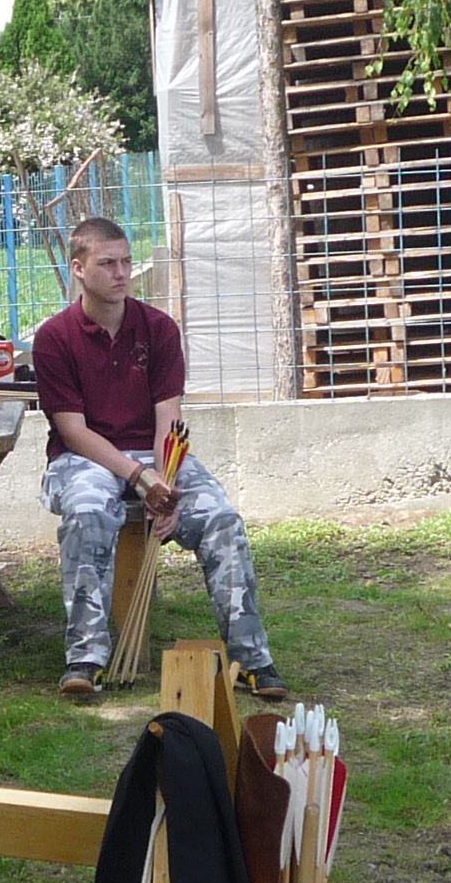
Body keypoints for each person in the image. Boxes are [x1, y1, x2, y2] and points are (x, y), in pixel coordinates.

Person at [32, 215, 286, 702]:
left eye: (126, 262)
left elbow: (168, 420)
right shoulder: (55, 337)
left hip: (154, 453)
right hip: (83, 457)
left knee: (222, 519)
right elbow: (73, 431)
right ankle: (85, 659)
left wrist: (163, 483)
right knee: (87, 512)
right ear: (79, 269)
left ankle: (253, 661)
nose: (121, 273)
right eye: (108, 264)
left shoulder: (159, 328)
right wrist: (140, 478)